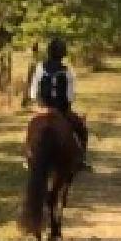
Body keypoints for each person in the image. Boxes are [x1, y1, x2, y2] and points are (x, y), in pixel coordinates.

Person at [29, 37, 91, 168]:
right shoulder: (68, 71)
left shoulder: (40, 67)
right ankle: (81, 159)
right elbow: (70, 96)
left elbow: (33, 90)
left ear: (49, 52)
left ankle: (29, 155)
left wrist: (39, 104)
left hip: (42, 108)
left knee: (31, 128)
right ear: (63, 54)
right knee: (82, 129)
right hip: (61, 110)